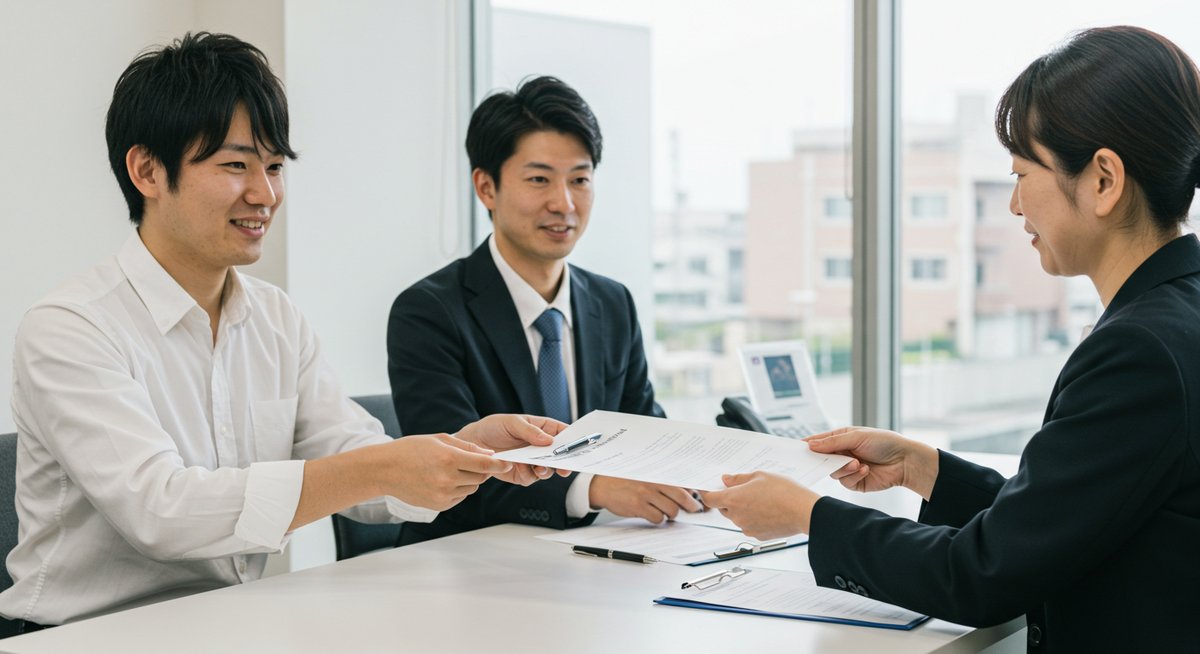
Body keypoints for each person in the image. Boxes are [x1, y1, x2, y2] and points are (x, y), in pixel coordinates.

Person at [0, 32, 560, 632]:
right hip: (83, 636)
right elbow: (161, 512)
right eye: (235, 164)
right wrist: (381, 468)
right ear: (147, 171)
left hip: (229, 623)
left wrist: (465, 452)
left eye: (273, 166)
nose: (265, 194)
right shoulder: (71, 327)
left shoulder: (276, 319)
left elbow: (357, 464)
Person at [702, 26, 1200, 652]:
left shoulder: (1140, 353)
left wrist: (806, 515)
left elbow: (983, 575)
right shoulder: (1177, 315)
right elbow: (1066, 519)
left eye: (1024, 174)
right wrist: (925, 469)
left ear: (1103, 179)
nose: (1016, 205)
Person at [387, 76, 701, 545]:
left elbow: (643, 431)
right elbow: (451, 474)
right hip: (465, 565)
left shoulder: (612, 303)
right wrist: (592, 488)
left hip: (595, 558)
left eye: (579, 179)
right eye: (539, 180)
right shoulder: (428, 311)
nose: (564, 203)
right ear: (486, 188)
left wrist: (697, 471)